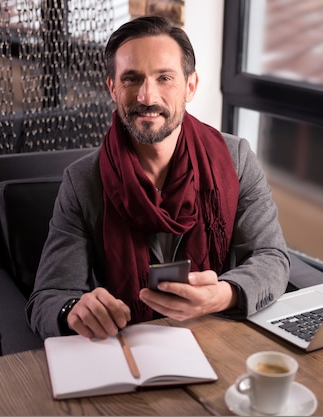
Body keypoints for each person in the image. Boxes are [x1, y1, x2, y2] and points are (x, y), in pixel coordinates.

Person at [26, 16, 290, 340]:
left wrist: (225, 294)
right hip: (124, 343)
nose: (147, 97)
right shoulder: (82, 181)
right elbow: (48, 297)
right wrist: (74, 311)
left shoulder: (236, 160)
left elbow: (271, 257)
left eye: (164, 78)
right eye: (131, 79)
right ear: (112, 88)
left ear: (190, 86)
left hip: (217, 333)